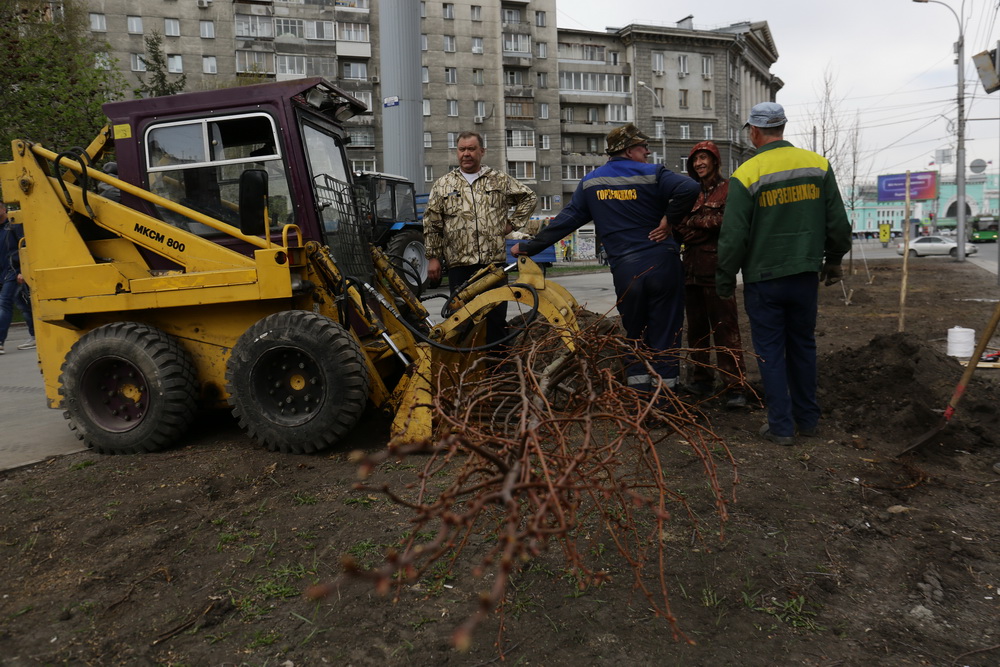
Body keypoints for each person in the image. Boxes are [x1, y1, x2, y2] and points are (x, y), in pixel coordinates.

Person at [512, 123, 700, 396]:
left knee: (635, 334)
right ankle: (665, 400)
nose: (647, 152)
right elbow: (690, 187)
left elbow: (566, 221)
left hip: (626, 271)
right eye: (643, 147)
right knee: (665, 334)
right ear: (629, 150)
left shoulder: (591, 182)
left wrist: (530, 247)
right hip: (661, 265)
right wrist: (669, 220)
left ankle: (639, 398)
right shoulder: (653, 173)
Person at [716, 102, 852, 446]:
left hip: (764, 280)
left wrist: (724, 278)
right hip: (804, 275)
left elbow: (733, 235)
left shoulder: (747, 173)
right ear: (782, 127)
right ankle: (808, 420)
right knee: (803, 346)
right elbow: (838, 223)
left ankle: (781, 427)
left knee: (771, 352)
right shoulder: (817, 165)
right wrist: (834, 259)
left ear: (754, 131)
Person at [423, 131, 537, 346]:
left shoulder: (498, 180)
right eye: (462, 149)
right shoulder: (443, 185)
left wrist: (512, 224)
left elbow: (529, 198)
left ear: (482, 151)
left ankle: (497, 363)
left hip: (492, 265)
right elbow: (432, 224)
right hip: (459, 265)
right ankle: (466, 363)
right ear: (457, 152)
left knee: (495, 320)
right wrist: (433, 257)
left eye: (471, 149)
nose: (466, 154)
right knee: (460, 320)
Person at [674, 141, 748, 409]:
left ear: (715, 161)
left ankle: (735, 387)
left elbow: (728, 222)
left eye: (703, 158)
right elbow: (679, 226)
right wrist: (702, 227)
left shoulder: (729, 189)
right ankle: (701, 381)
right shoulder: (689, 193)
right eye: (695, 160)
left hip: (718, 271)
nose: (699, 164)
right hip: (691, 272)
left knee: (726, 330)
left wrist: (696, 223)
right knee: (697, 332)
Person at [0, 202, 36, 355]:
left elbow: (24, 246)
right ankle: (35, 336)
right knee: (23, 304)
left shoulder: (14, 226)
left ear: (4, 209)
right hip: (3, 273)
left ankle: (0, 341)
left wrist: (22, 270)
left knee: (5, 302)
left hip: (14, 271)